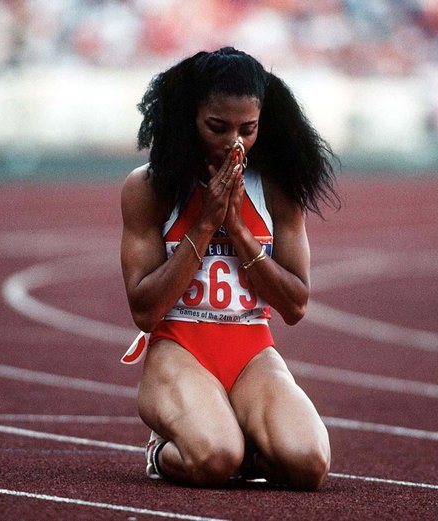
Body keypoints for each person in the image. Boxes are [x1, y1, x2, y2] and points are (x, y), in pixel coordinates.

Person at [120, 47, 339, 490]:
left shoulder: (277, 188)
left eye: (248, 129)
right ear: (190, 120)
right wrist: (204, 223)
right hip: (179, 346)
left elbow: (295, 304)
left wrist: (237, 229)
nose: (233, 143)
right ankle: (161, 451)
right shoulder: (148, 187)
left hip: (251, 350)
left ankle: (235, 434)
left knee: (308, 464)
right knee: (215, 459)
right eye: (217, 127)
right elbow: (145, 310)